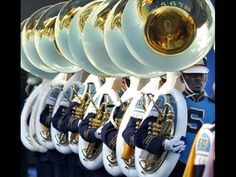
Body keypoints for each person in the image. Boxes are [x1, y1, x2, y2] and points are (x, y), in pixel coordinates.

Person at [134, 58, 215, 177]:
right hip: (172, 166)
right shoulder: (166, 101)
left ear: (206, 77)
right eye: (192, 75)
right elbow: (140, 136)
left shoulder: (213, 106)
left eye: (201, 75)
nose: (198, 78)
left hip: (201, 168)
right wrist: (163, 143)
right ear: (182, 78)